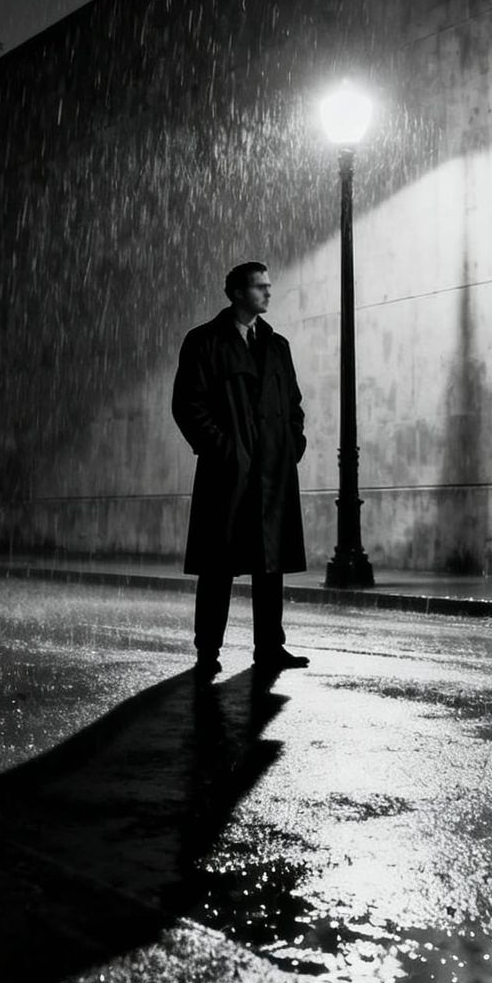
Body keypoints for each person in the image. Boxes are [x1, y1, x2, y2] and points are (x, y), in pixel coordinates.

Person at [172, 261, 311, 678]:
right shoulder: (204, 341)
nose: (268, 293)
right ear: (235, 293)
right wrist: (224, 450)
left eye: (268, 287)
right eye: (259, 288)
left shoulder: (276, 345)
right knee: (219, 565)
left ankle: (270, 646)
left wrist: (292, 445)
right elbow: (188, 405)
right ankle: (207, 651)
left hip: (272, 471)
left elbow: (293, 406)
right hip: (229, 472)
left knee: (270, 564)